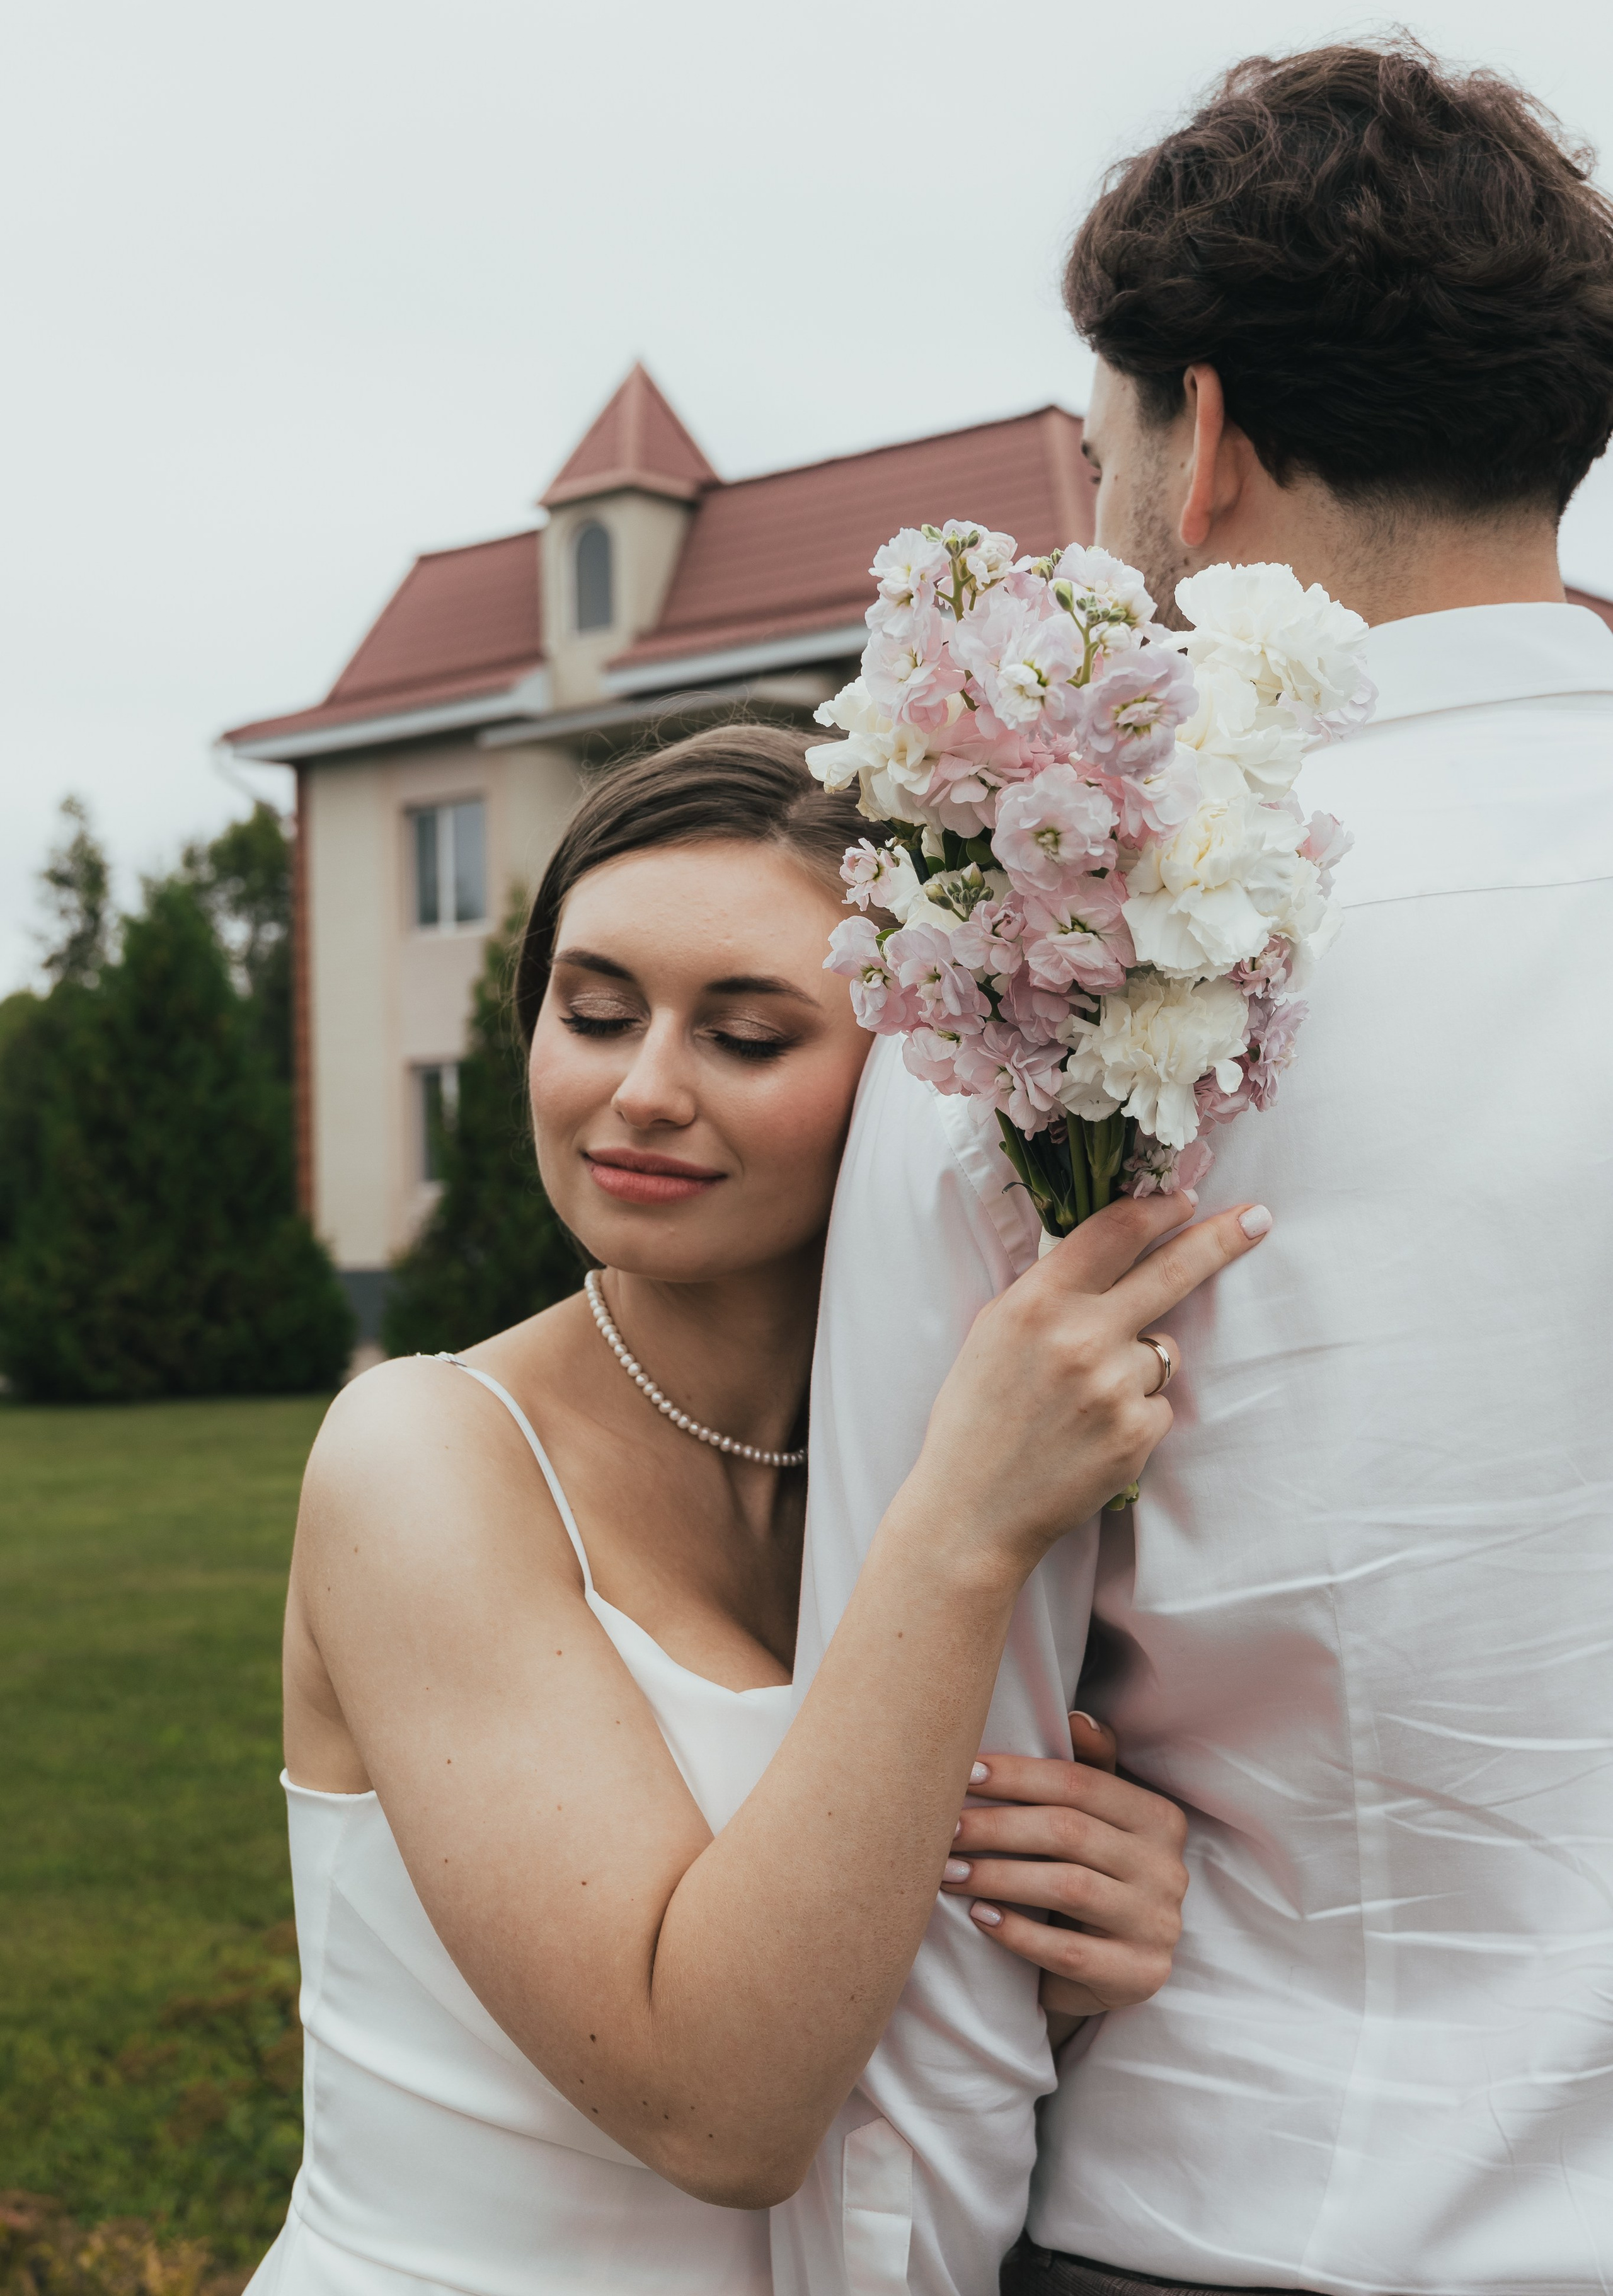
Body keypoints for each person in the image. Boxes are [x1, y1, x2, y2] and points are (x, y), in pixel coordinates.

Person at [774, 42, 1613, 2296]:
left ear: (1206, 440)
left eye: (1104, 444)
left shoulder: (1043, 971)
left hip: (1261, 2208)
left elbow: (931, 1780)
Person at [247, 725, 1261, 2296]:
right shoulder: (423, 1456)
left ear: (910, 1080)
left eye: (746, 1037)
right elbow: (715, 2108)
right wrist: (960, 1532)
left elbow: (884, 1992)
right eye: (592, 1014)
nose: (639, 1091)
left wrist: (1082, 1941)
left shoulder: (980, 1452)